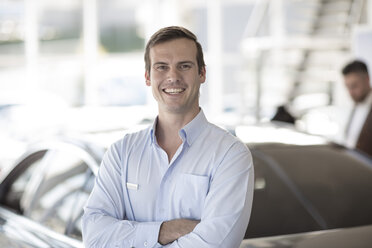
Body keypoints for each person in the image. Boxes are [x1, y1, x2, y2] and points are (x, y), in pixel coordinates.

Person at [82, 26, 254, 247]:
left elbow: (215, 245)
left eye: (184, 66)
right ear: (148, 77)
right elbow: (94, 237)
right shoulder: (122, 153)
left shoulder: (230, 155)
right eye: (162, 67)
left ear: (202, 73)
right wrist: (165, 230)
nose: (173, 76)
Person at [342, 60, 372, 157]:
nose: (350, 92)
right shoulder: (356, 105)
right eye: (347, 87)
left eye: (354, 86)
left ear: (367, 79)